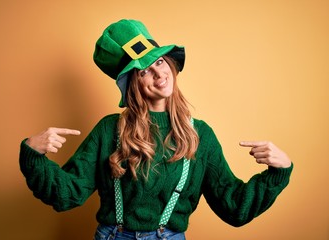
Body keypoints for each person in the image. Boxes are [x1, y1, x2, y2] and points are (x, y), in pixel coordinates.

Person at [19, 19, 293, 240]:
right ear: (131, 85)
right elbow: (68, 194)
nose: (159, 73)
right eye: (144, 71)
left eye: (159, 62)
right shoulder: (108, 130)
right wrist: (33, 156)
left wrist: (278, 172)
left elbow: (233, 207)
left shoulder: (200, 135)